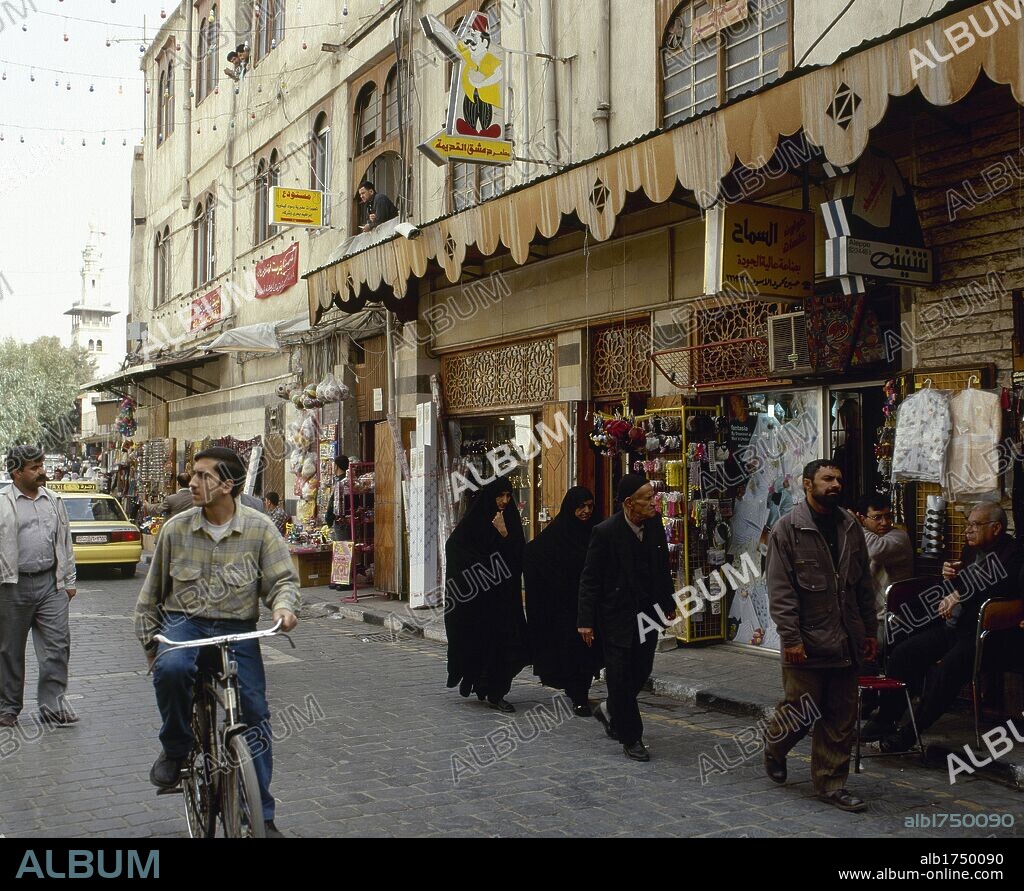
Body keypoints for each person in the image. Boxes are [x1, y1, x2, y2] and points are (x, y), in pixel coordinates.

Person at [135, 447, 300, 839]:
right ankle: (176, 747)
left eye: (203, 476)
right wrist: (151, 646)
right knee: (172, 668)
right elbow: (150, 594)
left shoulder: (260, 529)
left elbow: (283, 582)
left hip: (237, 630)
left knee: (255, 715)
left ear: (228, 485)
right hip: (184, 624)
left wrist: (284, 610)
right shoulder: (176, 529)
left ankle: (261, 814)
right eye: (193, 474)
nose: (192, 483)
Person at [762, 459, 876, 812]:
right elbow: (781, 590)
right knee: (800, 711)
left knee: (841, 717)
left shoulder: (851, 527)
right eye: (827, 478)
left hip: (846, 639)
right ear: (807, 485)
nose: (835, 484)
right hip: (806, 640)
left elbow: (863, 586)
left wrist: (869, 632)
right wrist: (791, 638)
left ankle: (831, 784)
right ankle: (775, 746)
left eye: (838, 478)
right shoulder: (787, 529)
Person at [869, 503, 1024, 751]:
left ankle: (912, 732)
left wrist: (960, 592)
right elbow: (966, 582)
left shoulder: (1013, 552)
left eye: (975, 525)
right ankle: (885, 719)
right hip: (957, 627)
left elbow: (999, 582)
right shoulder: (972, 551)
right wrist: (951, 576)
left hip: (988, 635)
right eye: (967, 525)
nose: (968, 531)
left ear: (996, 528)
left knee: (946, 672)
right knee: (904, 653)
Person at [578, 475, 677, 762]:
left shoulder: (655, 526)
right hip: (616, 617)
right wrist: (585, 620)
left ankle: (609, 709)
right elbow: (590, 579)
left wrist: (668, 603)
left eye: (653, 496)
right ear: (629, 503)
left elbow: (661, 569)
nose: (653, 502)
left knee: (641, 670)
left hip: (648, 614)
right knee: (620, 678)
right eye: (647, 498)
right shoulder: (605, 532)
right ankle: (632, 737)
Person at [0, 445, 78, 728]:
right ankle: (8, 707)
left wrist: (69, 581)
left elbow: (65, 541)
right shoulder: (3, 503)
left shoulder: (54, 500)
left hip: (50, 584)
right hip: (11, 586)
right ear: (16, 472)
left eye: (41, 465)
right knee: (9, 650)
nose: (42, 471)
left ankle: (53, 705)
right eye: (34, 467)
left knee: (58, 646)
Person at [444, 474, 528, 713]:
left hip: (505, 597)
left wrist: (504, 535)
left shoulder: (509, 519)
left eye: (508, 496)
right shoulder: (476, 519)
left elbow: (517, 555)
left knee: (506, 643)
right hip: (480, 599)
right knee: (481, 641)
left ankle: (497, 692)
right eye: (500, 495)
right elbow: (456, 548)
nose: (504, 500)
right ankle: (482, 684)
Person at [525, 487, 601, 716]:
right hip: (564, 607)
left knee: (587, 652)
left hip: (588, 605)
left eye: (589, 506)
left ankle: (580, 691)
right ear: (570, 508)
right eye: (581, 507)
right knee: (571, 651)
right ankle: (577, 695)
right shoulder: (557, 533)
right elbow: (533, 553)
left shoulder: (596, 532)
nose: (586, 511)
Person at [852, 492, 914, 638]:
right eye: (877, 517)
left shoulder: (899, 537)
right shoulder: (860, 538)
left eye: (887, 516)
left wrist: (855, 525)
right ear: (862, 518)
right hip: (864, 616)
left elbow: (876, 550)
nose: (885, 522)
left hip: (890, 619)